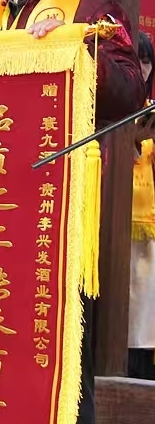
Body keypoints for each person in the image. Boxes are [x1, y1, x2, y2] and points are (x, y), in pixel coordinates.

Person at [0, 0, 146, 422]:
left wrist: (77, 49)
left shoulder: (91, 10)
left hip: (55, 211)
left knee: (58, 362)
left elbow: (129, 94)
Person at [129, 31, 155, 380]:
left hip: (148, 224)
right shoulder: (109, 107)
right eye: (137, 60)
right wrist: (131, 140)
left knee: (145, 308)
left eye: (147, 61)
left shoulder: (150, 109)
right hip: (116, 219)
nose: (143, 68)